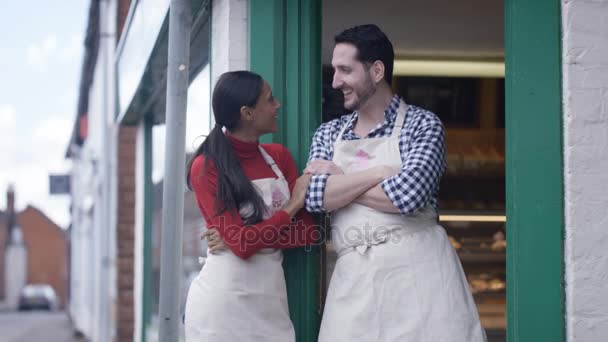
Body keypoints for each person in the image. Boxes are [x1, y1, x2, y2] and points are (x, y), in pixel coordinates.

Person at [305, 25, 487, 342]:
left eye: (345, 70)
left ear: (377, 71)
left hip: (421, 277)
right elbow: (315, 196)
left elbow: (407, 196)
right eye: (335, 70)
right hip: (354, 281)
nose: (335, 82)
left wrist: (341, 182)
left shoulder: (423, 124)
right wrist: (378, 173)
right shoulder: (328, 133)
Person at [183, 70, 317, 342]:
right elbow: (243, 247)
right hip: (222, 307)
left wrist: (245, 236)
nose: (277, 105)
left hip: (270, 303)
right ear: (247, 113)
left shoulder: (280, 157)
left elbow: (308, 234)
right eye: (270, 100)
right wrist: (291, 207)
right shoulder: (205, 167)